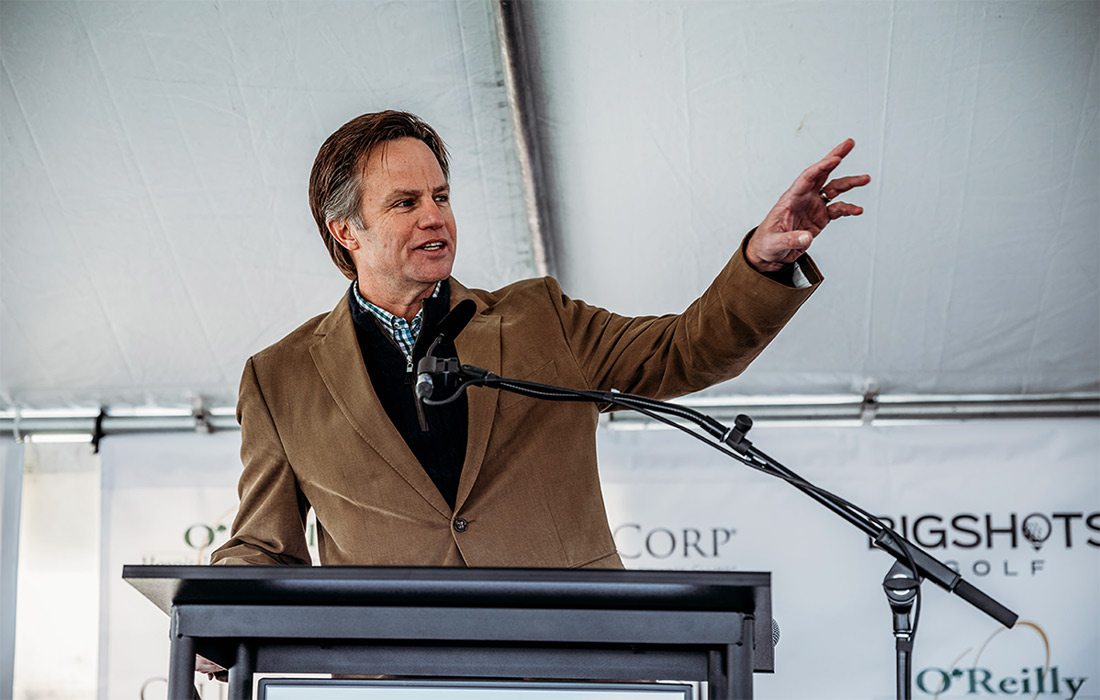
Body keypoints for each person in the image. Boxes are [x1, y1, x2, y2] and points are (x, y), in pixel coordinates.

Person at [209, 110, 869, 570]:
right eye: (405, 203)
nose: (436, 215)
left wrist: (762, 259)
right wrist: (211, 610)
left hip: (570, 656)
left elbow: (686, 351)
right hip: (392, 672)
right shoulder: (281, 377)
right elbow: (264, 544)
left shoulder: (539, 319)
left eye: (441, 195)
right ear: (346, 232)